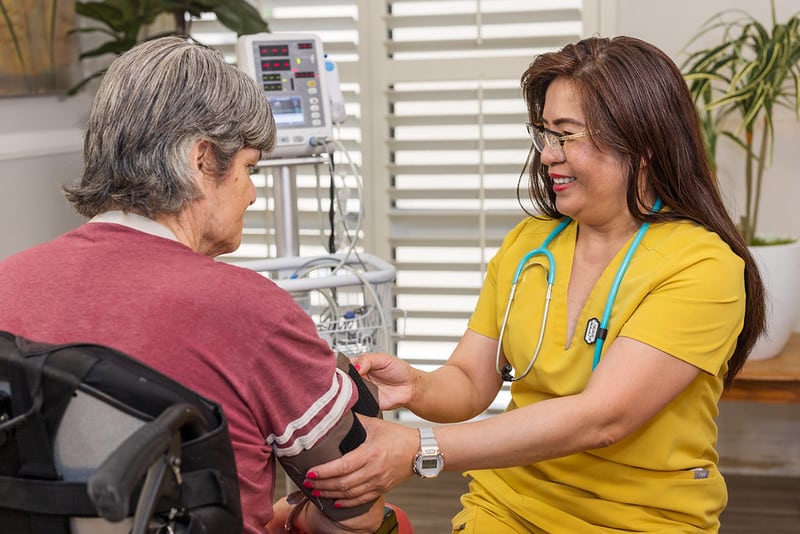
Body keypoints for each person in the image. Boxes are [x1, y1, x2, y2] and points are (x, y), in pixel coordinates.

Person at [301, 36, 766, 533]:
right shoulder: (529, 247)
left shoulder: (702, 267)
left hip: (640, 520)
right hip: (506, 507)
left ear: (643, 144)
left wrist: (421, 447)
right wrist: (415, 385)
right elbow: (471, 381)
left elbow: (603, 418)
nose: (547, 155)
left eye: (566, 135)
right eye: (544, 133)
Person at [0, 36, 386, 534]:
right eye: (249, 169)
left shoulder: (8, 282)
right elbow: (355, 513)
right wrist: (287, 515)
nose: (250, 194)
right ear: (203, 160)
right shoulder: (253, 312)